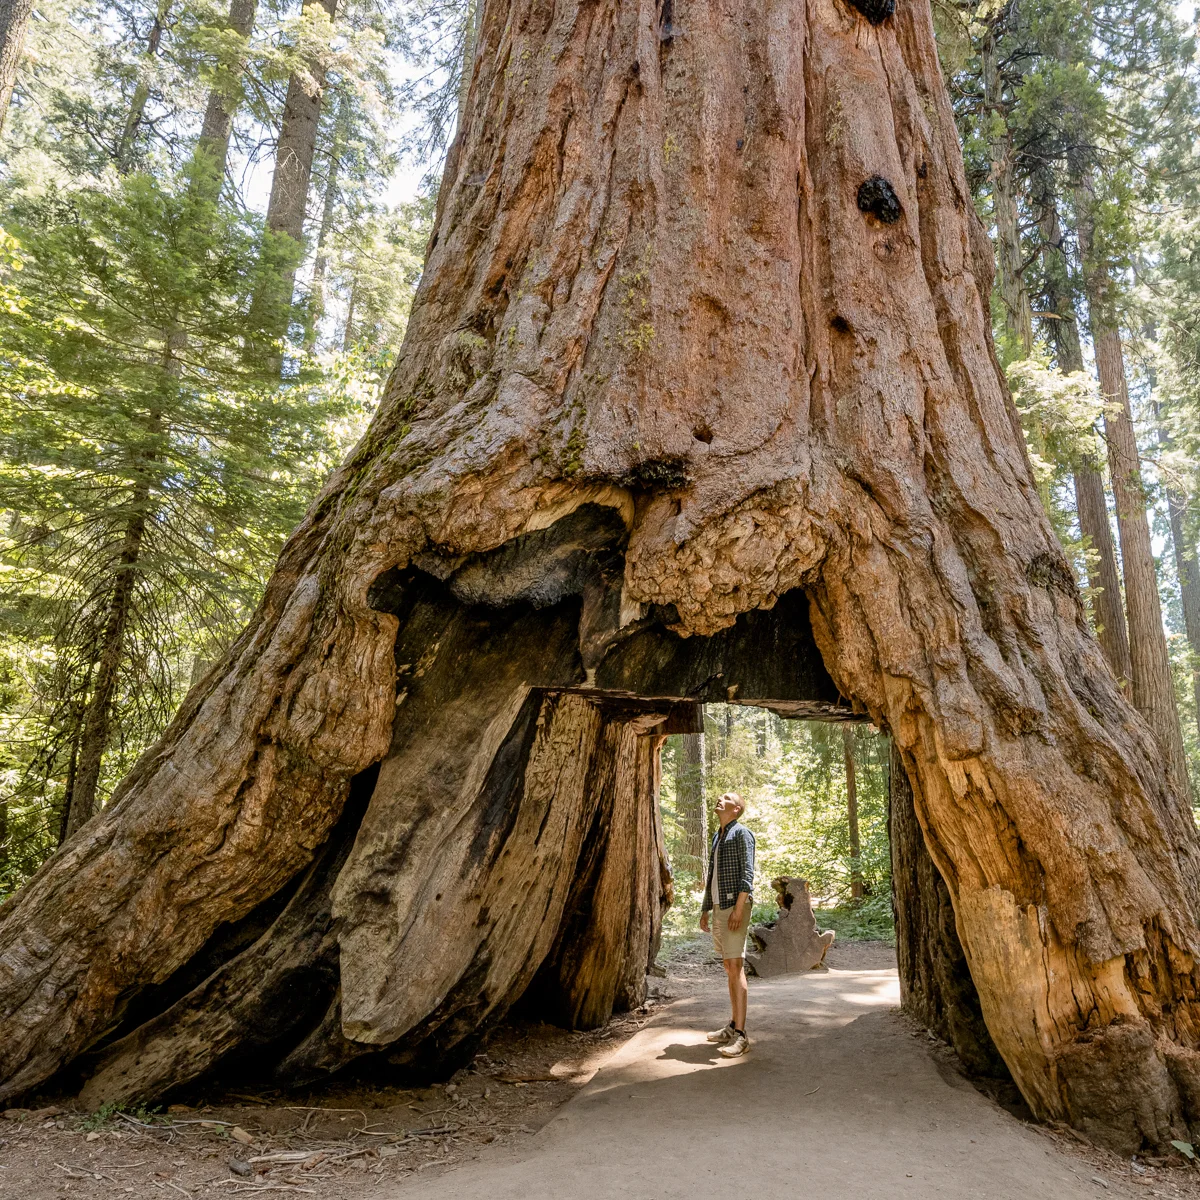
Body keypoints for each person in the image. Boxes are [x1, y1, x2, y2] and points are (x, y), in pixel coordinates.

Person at [699, 791, 755, 1058]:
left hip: (735, 906)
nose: (720, 799)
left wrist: (739, 908)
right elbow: (712, 876)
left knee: (735, 965)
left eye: (727, 798)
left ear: (737, 809)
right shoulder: (717, 836)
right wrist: (705, 909)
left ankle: (742, 1035)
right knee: (727, 965)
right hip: (721, 907)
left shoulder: (742, 834)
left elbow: (747, 873)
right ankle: (733, 1025)